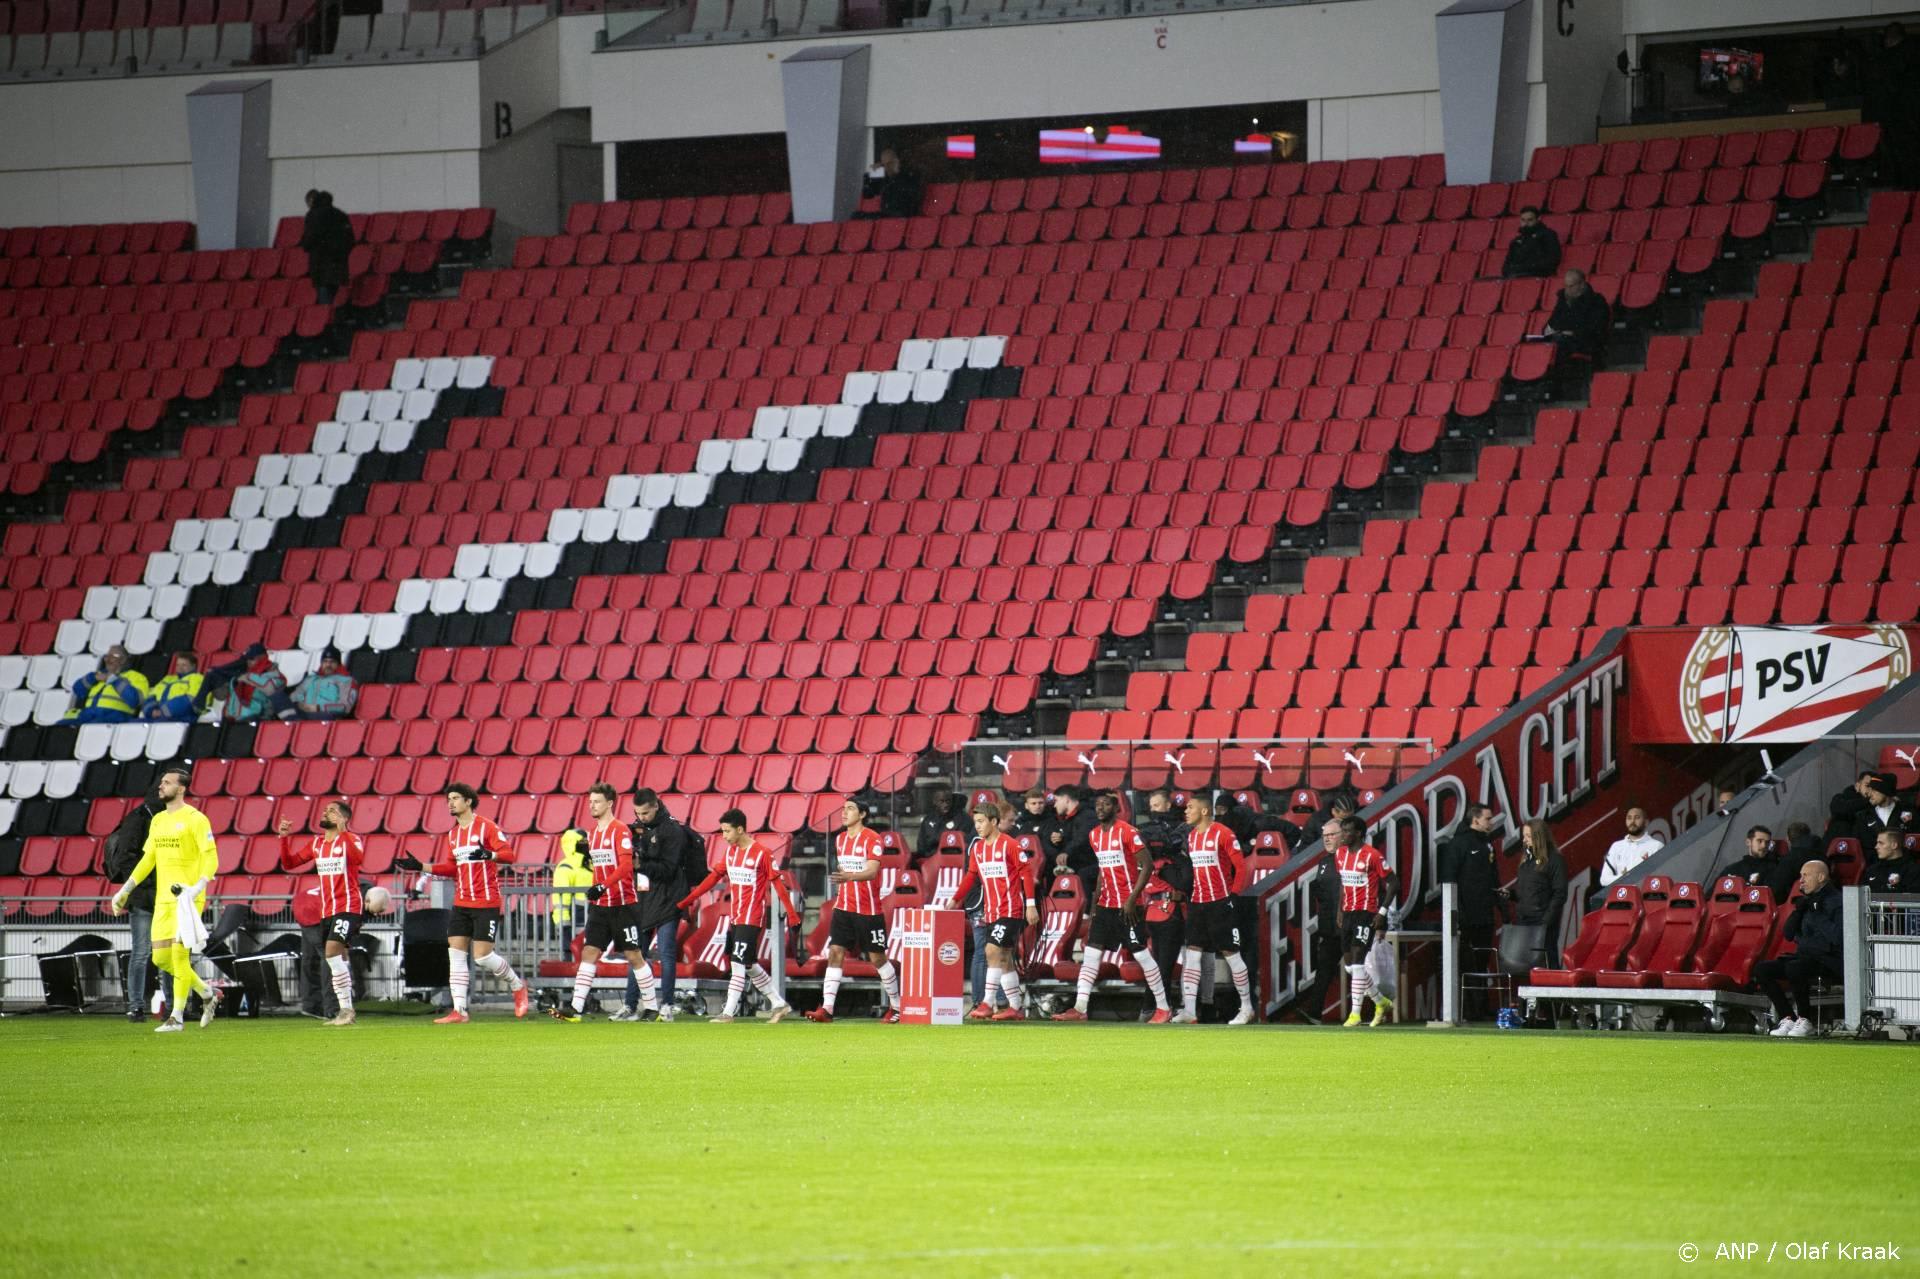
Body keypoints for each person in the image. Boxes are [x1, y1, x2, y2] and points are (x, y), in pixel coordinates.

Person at [108, 767, 219, 1033]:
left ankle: (176, 1017)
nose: (161, 786)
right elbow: (149, 859)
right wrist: (125, 889)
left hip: (187, 899)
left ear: (181, 788)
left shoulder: (196, 819)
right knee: (160, 959)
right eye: (161, 782)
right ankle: (207, 993)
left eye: (167, 783)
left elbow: (211, 857)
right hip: (163, 899)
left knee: (180, 957)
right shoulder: (158, 820)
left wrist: (198, 886)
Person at [1054, 791, 1173, 1023]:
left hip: (1129, 905)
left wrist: (1132, 900)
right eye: (1097, 804)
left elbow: (1147, 866)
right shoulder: (1094, 835)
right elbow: (1102, 869)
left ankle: (1163, 1008)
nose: (1100, 808)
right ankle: (1080, 1008)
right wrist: (1096, 899)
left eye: (1105, 804)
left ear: (1116, 808)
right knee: (1091, 953)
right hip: (1106, 904)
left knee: (1141, 954)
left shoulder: (1128, 832)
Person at [551, 784, 661, 1023]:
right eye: (590, 801)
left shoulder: (620, 830)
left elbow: (625, 867)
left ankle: (652, 1008)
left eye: (597, 801)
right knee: (589, 951)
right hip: (602, 905)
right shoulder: (593, 834)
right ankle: (576, 1008)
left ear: (610, 803)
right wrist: (596, 886)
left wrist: (602, 885)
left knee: (634, 955)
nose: (592, 805)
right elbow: (600, 869)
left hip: (623, 904)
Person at [680, 809, 802, 1024]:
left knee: (737, 962)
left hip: (752, 918)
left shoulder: (762, 853)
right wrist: (688, 899)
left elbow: (778, 885)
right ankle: (779, 1003)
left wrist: (791, 913)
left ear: (740, 829)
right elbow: (713, 878)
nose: (724, 836)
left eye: (727, 831)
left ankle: (728, 1012)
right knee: (748, 964)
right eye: (722, 831)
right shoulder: (730, 853)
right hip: (735, 917)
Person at [423, 783, 530, 1023]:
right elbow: (452, 868)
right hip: (462, 902)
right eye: (448, 799)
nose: (450, 802)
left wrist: (489, 854)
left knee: (482, 957)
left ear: (469, 801)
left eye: (456, 798)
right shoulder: (453, 835)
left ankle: (517, 985)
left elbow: (509, 855)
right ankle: (459, 1011)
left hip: (486, 900)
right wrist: (423, 867)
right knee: (456, 955)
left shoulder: (486, 827)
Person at [808, 798, 903, 1023]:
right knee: (835, 952)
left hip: (868, 910)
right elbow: (846, 869)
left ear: (862, 814)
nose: (844, 813)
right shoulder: (840, 839)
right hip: (843, 907)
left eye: (850, 809)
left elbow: (871, 871)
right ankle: (827, 1010)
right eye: (843, 809)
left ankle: (897, 1007)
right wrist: (845, 876)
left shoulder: (873, 838)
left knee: (877, 958)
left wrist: (848, 876)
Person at [276, 802, 367, 1026]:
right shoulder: (317, 843)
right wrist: (284, 838)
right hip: (327, 910)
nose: (325, 812)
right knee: (336, 958)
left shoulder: (351, 839)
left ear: (343, 818)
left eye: (332, 810)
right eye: (326, 809)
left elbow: (357, 859)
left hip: (348, 906)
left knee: (332, 952)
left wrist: (344, 830)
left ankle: (346, 1010)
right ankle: (345, 1011)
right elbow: (290, 863)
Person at [950, 802, 1039, 1021]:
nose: (977, 827)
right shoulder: (978, 848)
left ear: (994, 821)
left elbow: (1026, 873)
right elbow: (971, 876)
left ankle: (988, 1002)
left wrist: (1030, 904)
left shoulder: (1010, 845)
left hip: (1011, 910)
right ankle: (1016, 1007)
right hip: (991, 911)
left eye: (981, 822)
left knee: (991, 951)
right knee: (1005, 958)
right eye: (975, 822)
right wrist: (955, 898)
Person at [1176, 793, 1253, 1026]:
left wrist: (1234, 896)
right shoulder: (1190, 838)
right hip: (1198, 903)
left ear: (1205, 811)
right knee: (1193, 953)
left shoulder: (1223, 833)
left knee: (1231, 954)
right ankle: (1190, 1010)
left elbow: (1241, 867)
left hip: (1220, 902)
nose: (1186, 811)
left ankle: (1247, 1007)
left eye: (1190, 807)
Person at [620, 788, 695, 1021]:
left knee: (666, 953)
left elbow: (668, 869)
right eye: (637, 813)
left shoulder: (672, 830)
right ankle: (631, 1005)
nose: (641, 817)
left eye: (645, 813)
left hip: (669, 898)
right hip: (643, 899)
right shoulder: (638, 829)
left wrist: (639, 864)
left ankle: (667, 1006)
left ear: (655, 806)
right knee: (636, 953)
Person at [1754, 860, 1843, 1038]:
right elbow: (1788, 933)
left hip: (1830, 960)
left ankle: (1806, 1020)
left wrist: (1817, 914)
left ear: (1821, 877)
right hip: (1806, 957)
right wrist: (1798, 911)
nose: (1801, 880)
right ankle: (1789, 1017)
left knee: (1795, 967)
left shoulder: (1837, 901)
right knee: (1762, 969)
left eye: (1805, 875)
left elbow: (1837, 938)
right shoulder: (1808, 901)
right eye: (1800, 875)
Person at [1327, 815, 1397, 1027]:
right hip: (1347, 913)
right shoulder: (1340, 854)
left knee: (1358, 958)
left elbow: (1393, 883)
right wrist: (1340, 910)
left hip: (1366, 913)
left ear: (1358, 833)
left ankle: (1355, 1014)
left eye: (1346, 831)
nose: (1342, 836)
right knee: (1350, 965)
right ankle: (1380, 1001)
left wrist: (1382, 912)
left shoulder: (1372, 855)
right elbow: (1343, 883)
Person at [1436, 802, 1499, 1018]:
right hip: (1465, 916)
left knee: (1481, 963)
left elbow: (1492, 878)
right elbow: (1448, 879)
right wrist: (1458, 914)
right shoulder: (1459, 844)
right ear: (1475, 820)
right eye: (1488, 818)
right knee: (1465, 964)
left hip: (1484, 915)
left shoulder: (1487, 844)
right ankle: (1466, 1009)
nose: (1491, 822)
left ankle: (1480, 1008)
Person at [105, 792, 163, 1022]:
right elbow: (126, 859)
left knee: (164, 952)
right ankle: (136, 1006)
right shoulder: (137, 820)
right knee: (142, 952)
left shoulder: (155, 817)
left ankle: (170, 1006)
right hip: (144, 897)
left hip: (159, 894)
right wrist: (143, 884)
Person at [1498, 819, 1567, 978]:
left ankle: (1553, 1001)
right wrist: (1511, 895)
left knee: (1547, 964)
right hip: (1524, 921)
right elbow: (1527, 891)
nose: (1524, 839)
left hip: (1543, 923)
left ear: (1539, 836)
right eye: (1524, 836)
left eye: (1528, 836)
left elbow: (1560, 893)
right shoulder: (1526, 861)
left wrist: (1546, 921)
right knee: (1526, 967)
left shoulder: (1555, 860)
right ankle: (1529, 1002)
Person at [66, 643, 150, 723]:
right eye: (106, 657)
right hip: (88, 717)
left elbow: (136, 700)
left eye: (113, 656)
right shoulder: (99, 675)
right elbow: (77, 689)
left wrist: (114, 680)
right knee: (62, 725)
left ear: (123, 660)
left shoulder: (136, 677)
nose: (108, 660)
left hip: (114, 719)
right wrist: (93, 678)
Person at [1542, 268, 1611, 364]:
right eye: (1565, 286)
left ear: (1582, 285)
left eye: (1570, 286)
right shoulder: (1562, 301)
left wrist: (1572, 333)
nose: (1567, 290)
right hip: (1563, 339)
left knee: (1559, 345)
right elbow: (1552, 322)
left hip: (1586, 343)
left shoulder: (1596, 301)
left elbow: (1596, 329)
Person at [301, 189, 355, 305]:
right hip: (338, 264)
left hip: (320, 264)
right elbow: (350, 239)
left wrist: (306, 246)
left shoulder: (313, 215)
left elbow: (310, 239)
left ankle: (327, 320)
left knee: (324, 297)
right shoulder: (341, 215)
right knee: (332, 294)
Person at [1721, 824, 1797, 905]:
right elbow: (1712, 896)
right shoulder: (1732, 869)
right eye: (1759, 841)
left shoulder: (1776, 869)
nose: (1764, 845)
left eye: (1767, 842)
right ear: (1748, 842)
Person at [1046, 785, 1096, 893]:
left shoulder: (1088, 815)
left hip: (1091, 863)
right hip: (1076, 862)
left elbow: (1082, 838)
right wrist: (1058, 841)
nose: (1054, 805)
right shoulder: (1068, 819)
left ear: (1066, 799)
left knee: (1083, 874)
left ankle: (1085, 909)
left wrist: (1066, 852)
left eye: (1057, 800)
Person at [549, 827, 592, 949]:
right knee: (574, 954)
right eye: (582, 843)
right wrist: (563, 923)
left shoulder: (592, 864)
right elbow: (561, 899)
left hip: (595, 914)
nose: (586, 845)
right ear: (572, 845)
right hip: (576, 917)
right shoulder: (566, 867)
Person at [290, 645, 358, 720]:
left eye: (332, 662)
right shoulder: (311, 679)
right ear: (321, 663)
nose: (328, 665)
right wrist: (300, 704)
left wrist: (318, 707)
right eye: (325, 661)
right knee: (278, 697)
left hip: (326, 715)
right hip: (303, 712)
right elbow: (294, 696)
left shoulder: (346, 681)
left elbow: (345, 706)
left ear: (338, 664)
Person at [1599, 806, 1661, 886]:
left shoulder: (1656, 846)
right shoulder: (1616, 846)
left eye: (1637, 818)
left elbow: (1659, 877)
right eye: (1629, 818)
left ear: (1646, 822)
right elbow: (1604, 880)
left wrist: (1627, 878)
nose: (1632, 821)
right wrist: (1623, 877)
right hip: (1621, 896)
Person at [858, 148, 923, 219]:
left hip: (902, 214)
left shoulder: (909, 175)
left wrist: (896, 175)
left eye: (889, 164)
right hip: (886, 214)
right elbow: (867, 194)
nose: (887, 167)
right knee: (857, 215)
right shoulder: (885, 178)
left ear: (897, 161)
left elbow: (910, 196)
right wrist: (871, 175)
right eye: (884, 165)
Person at [138, 653, 204, 722]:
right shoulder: (167, 679)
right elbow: (150, 697)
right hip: (157, 717)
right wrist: (151, 711)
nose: (180, 667)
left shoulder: (198, 678)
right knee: (132, 724)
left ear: (193, 666)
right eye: (178, 665)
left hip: (182, 717)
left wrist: (164, 711)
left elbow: (192, 699)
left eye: (184, 665)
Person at [1501, 206, 1561, 279]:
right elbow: (1506, 266)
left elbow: (1552, 260)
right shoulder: (1516, 241)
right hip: (1517, 276)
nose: (1526, 223)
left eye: (1530, 220)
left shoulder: (1548, 235)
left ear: (1538, 219)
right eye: (1523, 220)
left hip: (1538, 276)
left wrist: (1525, 267)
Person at [915, 782, 972, 859]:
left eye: (948, 801)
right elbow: (922, 848)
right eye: (942, 801)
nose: (945, 805)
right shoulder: (928, 820)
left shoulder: (962, 818)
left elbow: (968, 843)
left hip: (957, 859)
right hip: (932, 860)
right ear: (934, 801)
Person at [1863, 830, 1918, 894]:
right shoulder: (1872, 870)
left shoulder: (1913, 871)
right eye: (1877, 843)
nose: (1876, 847)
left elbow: (1911, 900)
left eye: (1881, 843)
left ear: (1894, 845)